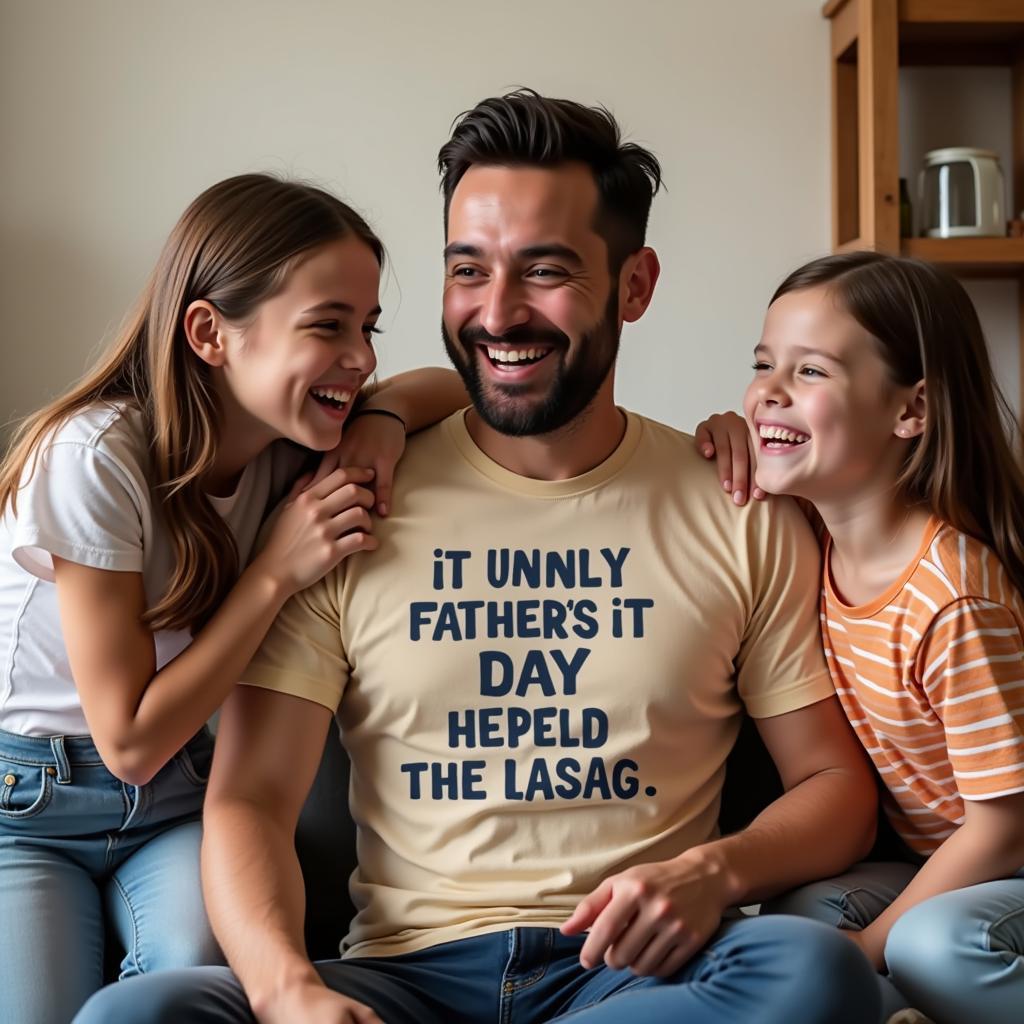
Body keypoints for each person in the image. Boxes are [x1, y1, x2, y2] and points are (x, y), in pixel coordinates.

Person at [76, 91, 883, 1024]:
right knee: (133, 1017)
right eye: (468, 270)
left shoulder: (737, 505)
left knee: (816, 975)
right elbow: (249, 799)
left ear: (634, 284)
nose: (497, 314)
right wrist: (286, 989)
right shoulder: (339, 507)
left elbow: (834, 788)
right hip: (404, 981)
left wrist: (716, 870)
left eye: (544, 271)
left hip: (633, 975)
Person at [0, 172, 465, 1024]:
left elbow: (459, 384)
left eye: (367, 327)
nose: (361, 357)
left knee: (192, 973)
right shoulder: (94, 455)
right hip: (31, 804)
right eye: (328, 325)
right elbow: (129, 738)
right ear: (211, 332)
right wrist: (277, 570)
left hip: (175, 798)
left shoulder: (290, 442)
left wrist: (383, 418)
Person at [695, 251, 1024, 1024]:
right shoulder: (808, 531)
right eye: (763, 363)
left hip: (1004, 858)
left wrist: (871, 943)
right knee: (790, 924)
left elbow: (1005, 826)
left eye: (811, 372)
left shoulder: (953, 595)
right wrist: (723, 433)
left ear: (911, 411)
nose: (767, 392)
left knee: (926, 947)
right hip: (934, 864)